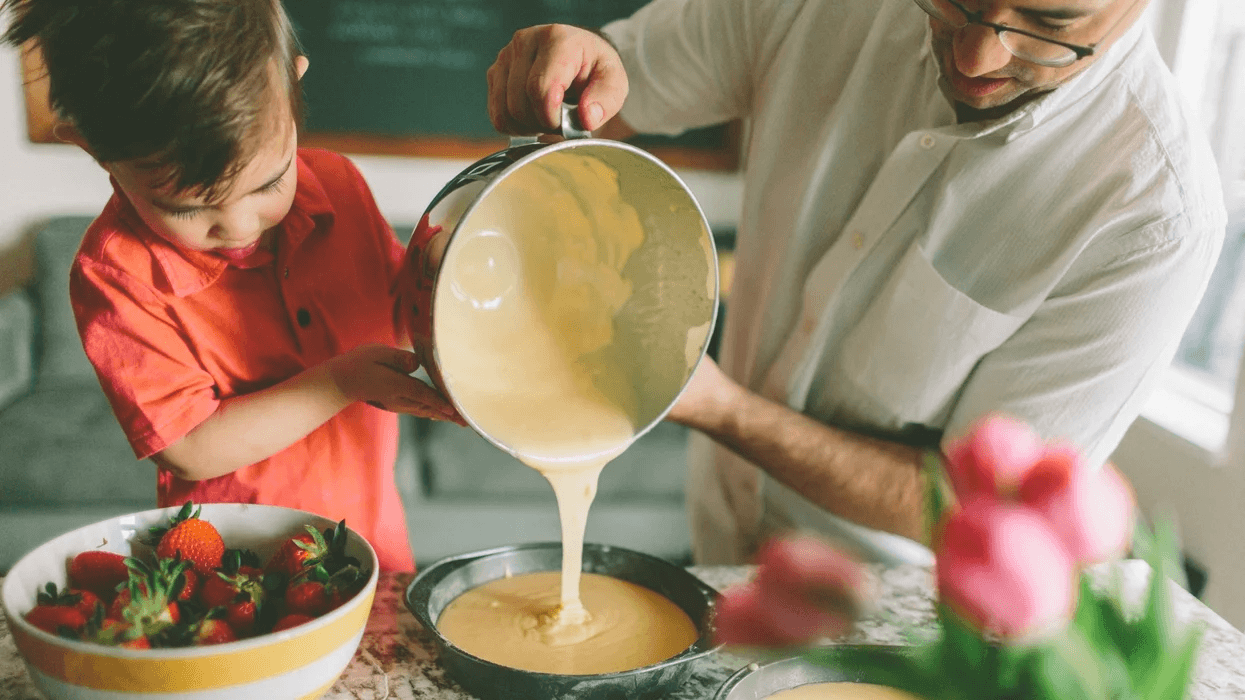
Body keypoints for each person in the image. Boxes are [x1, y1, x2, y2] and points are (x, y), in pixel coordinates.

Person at [485, 0, 1227, 566]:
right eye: (956, 0)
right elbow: (622, 81)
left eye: (1045, 19)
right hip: (717, 551)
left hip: (893, 624)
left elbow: (968, 506)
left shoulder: (1153, 214)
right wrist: (578, 66)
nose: (973, 53)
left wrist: (721, 408)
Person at [1, 0, 462, 572]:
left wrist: (446, 267)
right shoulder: (116, 275)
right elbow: (191, 447)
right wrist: (342, 381)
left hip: (371, 534)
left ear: (294, 86)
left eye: (269, 182)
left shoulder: (339, 184)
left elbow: (395, 302)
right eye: (189, 208)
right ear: (93, 147)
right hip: (238, 564)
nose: (241, 226)